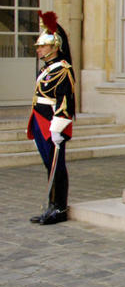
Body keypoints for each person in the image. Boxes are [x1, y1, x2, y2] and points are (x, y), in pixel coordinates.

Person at [27, 12, 75, 225]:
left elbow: (65, 101)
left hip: (52, 123)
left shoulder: (63, 70)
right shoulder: (46, 69)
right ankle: (51, 204)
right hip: (40, 119)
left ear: (54, 47)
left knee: (57, 166)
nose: (38, 50)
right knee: (49, 164)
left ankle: (60, 207)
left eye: (42, 46)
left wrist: (58, 126)